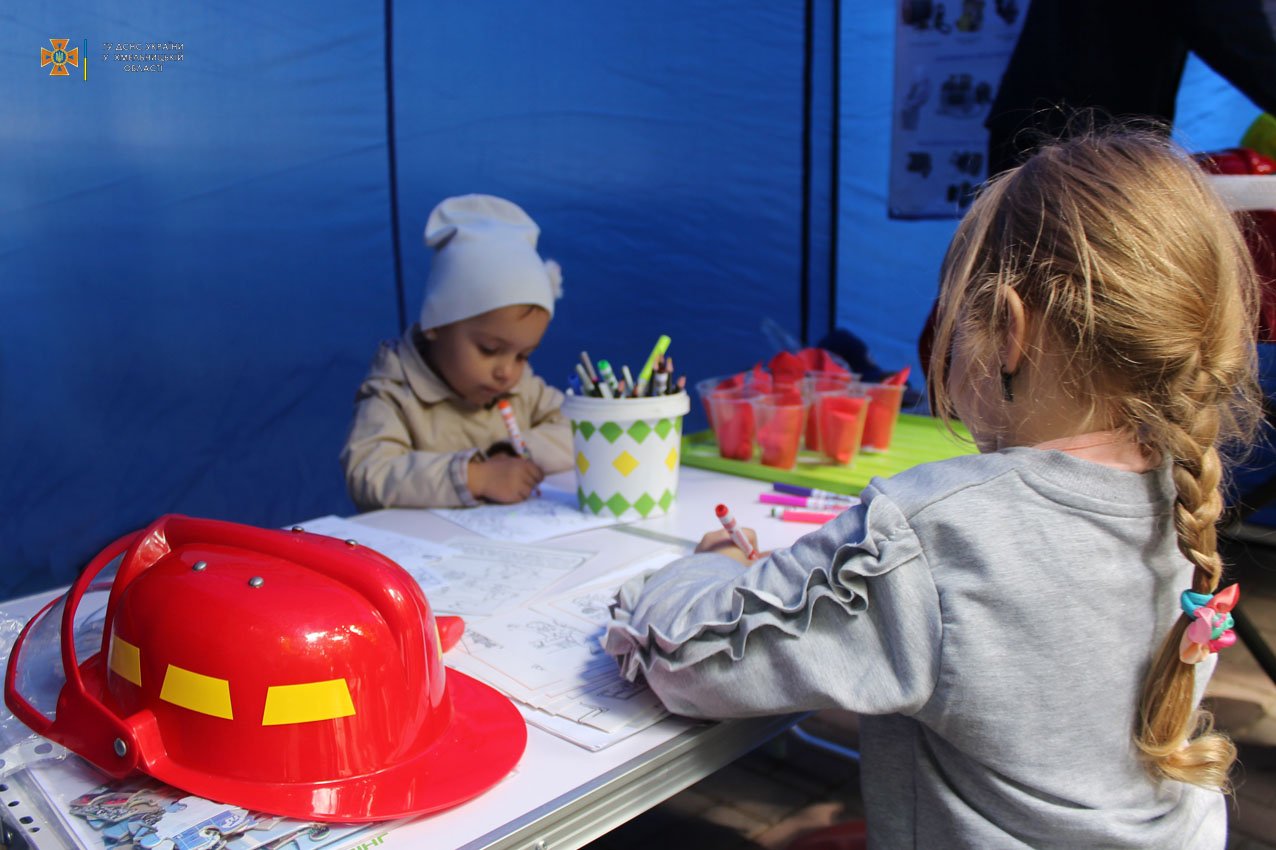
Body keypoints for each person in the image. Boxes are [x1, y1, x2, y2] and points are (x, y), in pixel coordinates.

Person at [604, 131, 1261, 848]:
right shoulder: (1180, 499)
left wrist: (714, 567)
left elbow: (688, 656)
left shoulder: (940, 534)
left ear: (1008, 332)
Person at [341, 194, 572, 509]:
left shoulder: (522, 389)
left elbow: (580, 430)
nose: (507, 371)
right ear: (435, 325)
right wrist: (475, 477)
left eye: (523, 356)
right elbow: (368, 473)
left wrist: (512, 451)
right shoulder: (395, 392)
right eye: (489, 349)